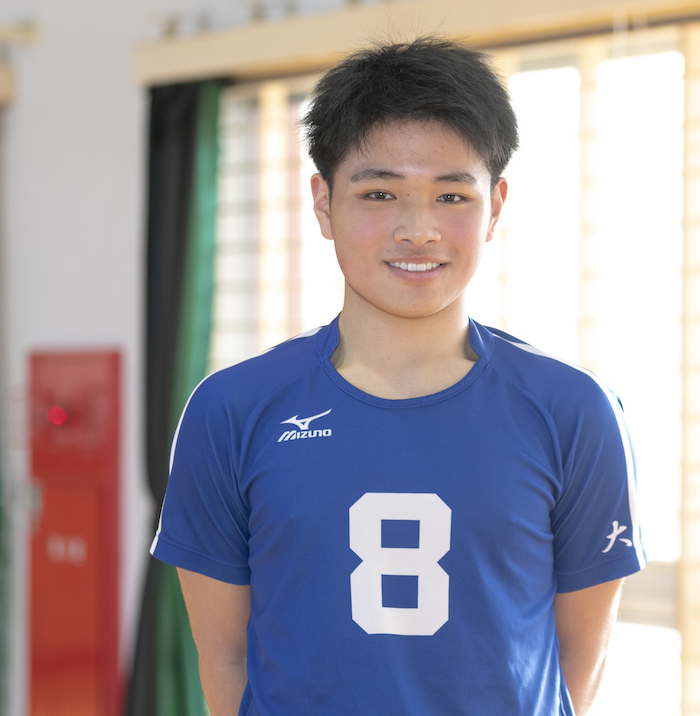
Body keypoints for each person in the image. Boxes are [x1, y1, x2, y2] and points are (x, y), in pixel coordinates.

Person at [150, 37, 646, 716]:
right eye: (379, 193)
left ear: (496, 207)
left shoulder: (574, 412)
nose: (418, 230)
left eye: (452, 195)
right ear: (323, 203)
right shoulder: (231, 410)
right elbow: (224, 659)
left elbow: (577, 664)